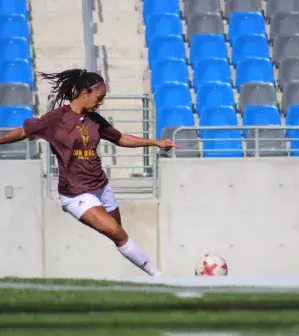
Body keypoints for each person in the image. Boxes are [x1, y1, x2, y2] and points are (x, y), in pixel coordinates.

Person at [0, 68, 178, 276]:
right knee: (117, 233)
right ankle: (159, 277)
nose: (100, 102)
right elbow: (23, 131)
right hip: (76, 193)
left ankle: (153, 274)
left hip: (101, 187)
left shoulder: (94, 120)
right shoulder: (56, 119)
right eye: (98, 97)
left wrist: (155, 142)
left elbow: (120, 138)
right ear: (84, 94)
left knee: (118, 233)